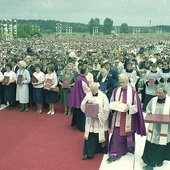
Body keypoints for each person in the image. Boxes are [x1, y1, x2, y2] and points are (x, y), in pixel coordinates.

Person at [107, 74, 146, 163]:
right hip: (117, 117)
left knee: (127, 134)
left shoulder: (133, 92)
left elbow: (137, 107)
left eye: (123, 82)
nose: (121, 84)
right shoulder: (115, 91)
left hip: (128, 117)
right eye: (120, 82)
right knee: (117, 136)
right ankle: (114, 153)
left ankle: (127, 149)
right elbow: (111, 102)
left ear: (127, 81)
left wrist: (129, 108)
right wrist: (113, 107)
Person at [142, 85, 170, 170]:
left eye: (160, 93)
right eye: (157, 92)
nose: (158, 94)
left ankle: (160, 159)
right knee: (152, 144)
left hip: (165, 127)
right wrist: (149, 112)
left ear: (165, 92)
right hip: (154, 127)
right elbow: (148, 108)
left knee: (162, 144)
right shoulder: (153, 100)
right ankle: (150, 163)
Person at [80, 82, 110, 160]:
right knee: (91, 136)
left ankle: (101, 149)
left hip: (99, 119)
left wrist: (99, 115)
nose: (92, 91)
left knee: (99, 134)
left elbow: (106, 108)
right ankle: (89, 152)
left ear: (97, 89)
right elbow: (82, 105)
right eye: (91, 89)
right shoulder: (88, 95)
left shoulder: (103, 96)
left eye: (93, 90)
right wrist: (87, 104)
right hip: (90, 120)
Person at [67, 64, 90, 132]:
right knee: (81, 112)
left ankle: (76, 123)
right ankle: (81, 126)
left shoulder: (80, 77)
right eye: (87, 70)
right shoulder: (82, 79)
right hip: (81, 97)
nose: (88, 71)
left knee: (77, 111)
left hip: (77, 96)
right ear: (85, 72)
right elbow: (86, 90)